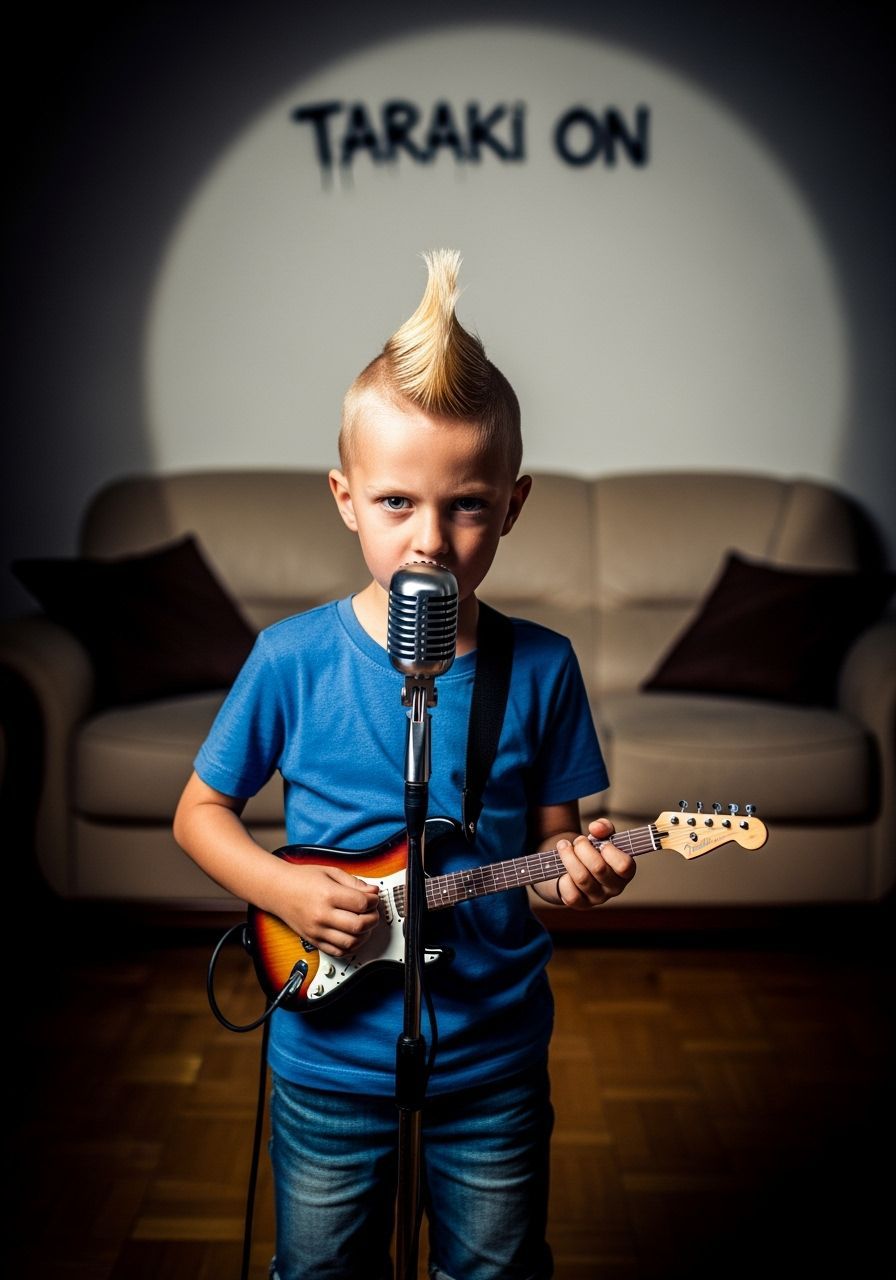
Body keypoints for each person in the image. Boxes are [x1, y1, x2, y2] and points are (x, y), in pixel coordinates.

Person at [173, 248, 636, 1280]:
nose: (429, 539)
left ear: (511, 503)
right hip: (328, 1057)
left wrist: (581, 867)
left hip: (492, 1057)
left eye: (465, 505)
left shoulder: (542, 667)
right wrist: (280, 885)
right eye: (394, 503)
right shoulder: (290, 659)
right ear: (344, 497)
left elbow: (556, 842)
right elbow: (199, 809)